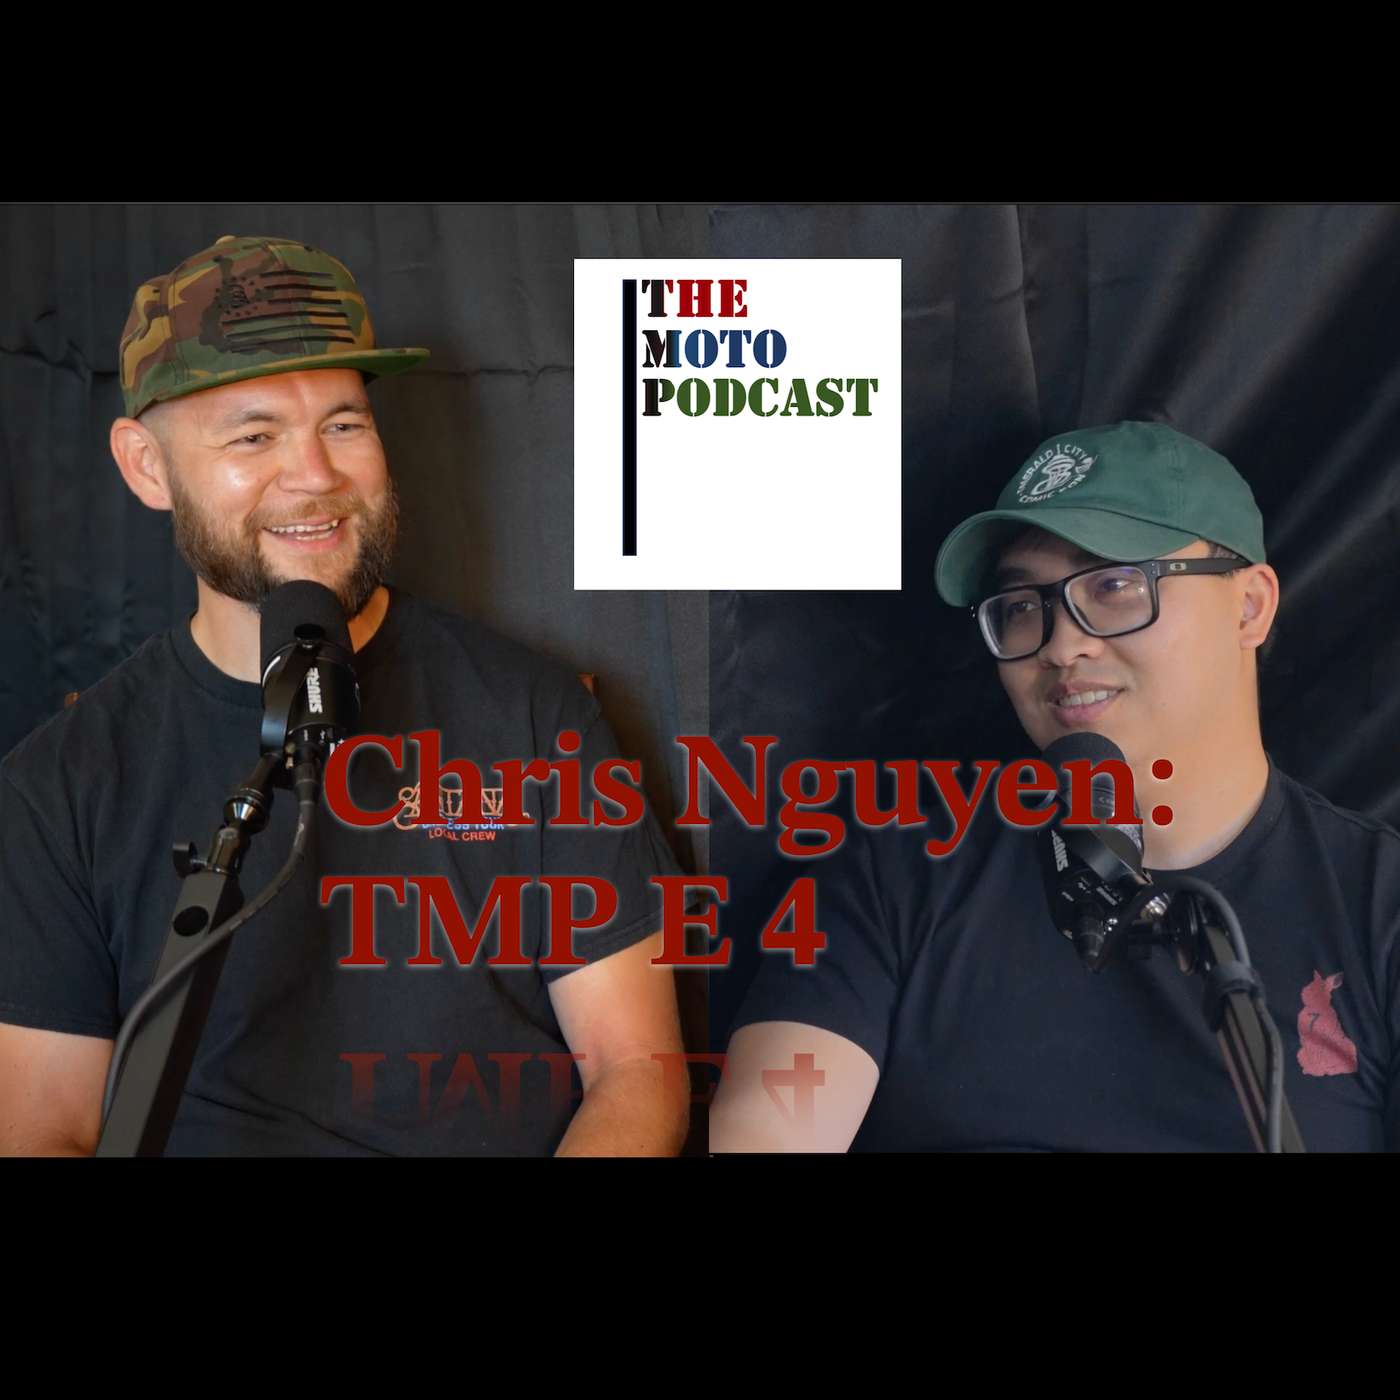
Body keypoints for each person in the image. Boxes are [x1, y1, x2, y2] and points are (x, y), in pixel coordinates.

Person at [0, 235, 688, 1157]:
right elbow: (43, 1129)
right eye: (253, 436)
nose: (316, 475)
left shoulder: (535, 715)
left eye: (344, 424)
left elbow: (638, 1069)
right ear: (146, 466)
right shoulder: (62, 787)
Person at [712, 421, 1400, 1152]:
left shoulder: (1378, 906)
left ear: (1250, 605)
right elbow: (765, 1130)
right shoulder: (898, 879)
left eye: (1115, 585)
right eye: (1021, 607)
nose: (1062, 644)